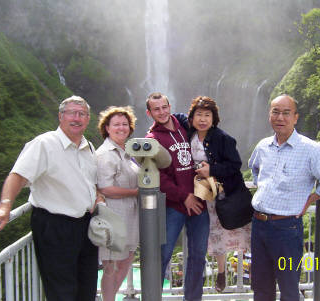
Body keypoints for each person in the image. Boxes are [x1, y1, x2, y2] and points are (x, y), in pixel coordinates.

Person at [0, 96, 104, 301]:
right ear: (60, 116)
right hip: (55, 225)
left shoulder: (89, 146)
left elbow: (89, 182)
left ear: (88, 118)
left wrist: (97, 196)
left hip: (85, 226)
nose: (77, 118)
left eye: (82, 114)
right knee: (62, 291)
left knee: (86, 287)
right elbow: (18, 176)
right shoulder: (44, 143)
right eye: (71, 113)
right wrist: (5, 206)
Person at [248, 94, 320, 301]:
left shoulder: (309, 149)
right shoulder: (263, 145)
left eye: (286, 113)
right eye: (275, 112)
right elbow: (254, 169)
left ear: (295, 117)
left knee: (289, 287)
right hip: (258, 224)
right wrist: (266, 190)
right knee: (260, 285)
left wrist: (311, 198)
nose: (280, 117)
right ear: (269, 115)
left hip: (286, 229)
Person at [179, 96, 251, 292]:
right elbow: (173, 117)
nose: (203, 119)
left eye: (207, 115)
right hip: (197, 196)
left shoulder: (222, 138)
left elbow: (235, 165)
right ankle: (201, 274)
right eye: (199, 115)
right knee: (203, 238)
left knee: (219, 234)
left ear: (214, 118)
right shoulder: (188, 133)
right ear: (191, 118)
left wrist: (211, 170)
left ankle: (221, 272)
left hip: (218, 196)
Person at [145, 92, 210, 301]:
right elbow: (159, 177)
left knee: (198, 257)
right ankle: (153, 297)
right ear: (149, 113)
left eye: (164, 107)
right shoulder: (152, 140)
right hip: (173, 206)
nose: (161, 112)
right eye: (156, 109)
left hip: (199, 202)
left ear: (170, 106)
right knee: (162, 255)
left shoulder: (187, 127)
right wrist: (184, 197)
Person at [96, 106, 139, 301]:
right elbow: (105, 188)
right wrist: (136, 192)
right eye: (116, 125)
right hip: (113, 217)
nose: (121, 128)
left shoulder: (126, 151)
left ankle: (111, 298)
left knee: (125, 261)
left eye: (124, 124)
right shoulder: (106, 153)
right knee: (112, 266)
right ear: (106, 128)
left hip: (129, 216)